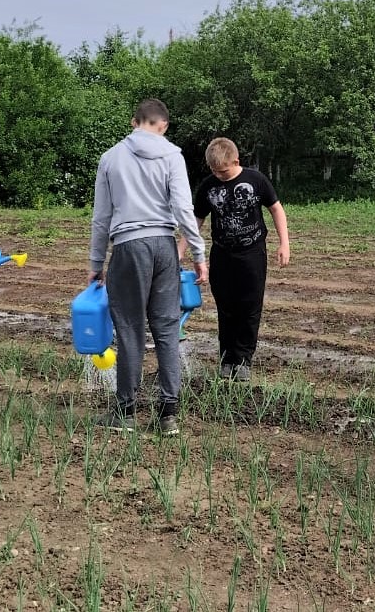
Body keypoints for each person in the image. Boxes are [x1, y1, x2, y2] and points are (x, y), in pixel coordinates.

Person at [88, 99, 208, 436]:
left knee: (129, 329)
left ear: (134, 122)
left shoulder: (110, 158)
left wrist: (96, 262)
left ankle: (125, 412)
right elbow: (185, 209)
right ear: (164, 125)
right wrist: (198, 254)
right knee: (167, 329)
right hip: (164, 245)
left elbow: (101, 218)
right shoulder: (172, 155)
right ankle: (168, 415)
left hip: (127, 247)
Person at [191, 137, 290, 382]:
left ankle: (243, 360)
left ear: (236, 161)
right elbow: (198, 219)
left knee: (249, 306)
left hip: (252, 253)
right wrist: (184, 247)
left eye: (224, 171)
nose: (220, 176)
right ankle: (227, 360)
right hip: (222, 253)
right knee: (226, 307)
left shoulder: (256, 180)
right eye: (215, 171)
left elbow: (276, 208)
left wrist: (284, 243)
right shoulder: (208, 186)